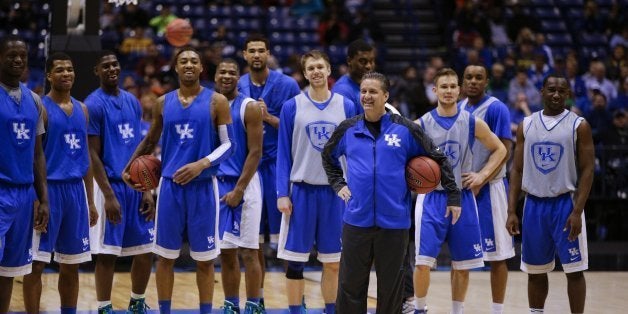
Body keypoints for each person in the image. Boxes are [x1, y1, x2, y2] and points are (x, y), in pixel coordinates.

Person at [322, 72, 460, 313]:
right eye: (363, 91)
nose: (366, 96)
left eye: (373, 91)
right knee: (350, 288)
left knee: (391, 289)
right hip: (356, 220)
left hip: (394, 223)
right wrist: (338, 184)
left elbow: (438, 157)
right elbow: (327, 156)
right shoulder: (348, 129)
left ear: (385, 96)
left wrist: (453, 195)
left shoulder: (405, 129)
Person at [123, 46, 234, 314]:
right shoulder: (163, 103)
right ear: (175, 67)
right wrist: (127, 169)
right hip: (171, 188)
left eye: (193, 61)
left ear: (201, 68)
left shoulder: (216, 101)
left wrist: (202, 164)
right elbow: (150, 141)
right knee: (165, 257)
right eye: (183, 61)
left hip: (203, 187)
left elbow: (228, 145)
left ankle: (205, 311)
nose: (188, 65)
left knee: (206, 260)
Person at [414, 68, 507, 314]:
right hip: (432, 197)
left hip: (464, 198)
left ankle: (458, 311)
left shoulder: (473, 122)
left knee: (462, 265)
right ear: (435, 90)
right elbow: (401, 156)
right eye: (443, 86)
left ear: (459, 90)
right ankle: (420, 309)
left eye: (452, 86)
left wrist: (481, 176)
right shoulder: (421, 124)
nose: (448, 91)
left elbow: (500, 149)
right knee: (423, 263)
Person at [276, 50, 356, 314]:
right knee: (295, 263)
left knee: (333, 262)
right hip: (301, 191)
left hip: (336, 193)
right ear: (305, 73)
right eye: (311, 68)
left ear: (329, 70)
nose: (316, 72)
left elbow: (355, 151)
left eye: (320, 67)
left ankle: (330, 310)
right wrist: (281, 193)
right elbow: (283, 153)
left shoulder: (346, 105)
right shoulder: (292, 106)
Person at [506, 74, 594, 314]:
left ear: (568, 94)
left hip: (565, 204)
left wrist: (578, 211)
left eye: (561, 91)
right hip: (533, 205)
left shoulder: (579, 125)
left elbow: (588, 170)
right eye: (552, 90)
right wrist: (511, 210)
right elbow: (517, 168)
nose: (556, 94)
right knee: (535, 271)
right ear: (542, 91)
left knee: (574, 270)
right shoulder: (527, 124)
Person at [22, 52, 98, 314]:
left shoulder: (83, 109)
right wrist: (36, 198)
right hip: (49, 190)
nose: (66, 73)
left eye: (70, 69)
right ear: (49, 75)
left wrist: (90, 200)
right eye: (60, 70)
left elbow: (85, 156)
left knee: (72, 264)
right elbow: (33, 156)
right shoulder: (40, 108)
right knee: (37, 264)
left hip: (76, 192)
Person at [85, 51, 155, 314]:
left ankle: (137, 302)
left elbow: (142, 150)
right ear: (97, 71)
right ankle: (104, 307)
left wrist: (147, 189)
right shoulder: (93, 104)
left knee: (146, 248)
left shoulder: (133, 101)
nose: (112, 69)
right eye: (106, 66)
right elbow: (92, 154)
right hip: (111, 185)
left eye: (115, 64)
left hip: (136, 185)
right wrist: (108, 196)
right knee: (108, 252)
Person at [237, 34, 301, 306]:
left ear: (268, 54)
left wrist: (269, 118)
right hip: (251, 166)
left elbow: (299, 126)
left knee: (285, 240)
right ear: (245, 55)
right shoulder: (239, 83)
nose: (256, 55)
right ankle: (257, 300)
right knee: (254, 240)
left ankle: (296, 302)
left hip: (278, 166)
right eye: (252, 51)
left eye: (261, 51)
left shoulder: (287, 84)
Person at [0, 35, 49, 313]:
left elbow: (37, 154)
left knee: (9, 270)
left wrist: (43, 198)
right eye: (11, 55)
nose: (18, 60)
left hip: (24, 194)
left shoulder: (34, 100)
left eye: (22, 56)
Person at [459, 64, 514, 314]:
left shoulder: (496, 108)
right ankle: (456, 308)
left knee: (497, 255)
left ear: (487, 81)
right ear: (462, 81)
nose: (473, 81)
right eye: (468, 77)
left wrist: (482, 177)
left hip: (491, 188)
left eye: (478, 77)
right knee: (460, 255)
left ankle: (497, 311)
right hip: (464, 189)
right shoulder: (459, 108)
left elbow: (505, 149)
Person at [214, 59, 265, 313]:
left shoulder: (250, 107)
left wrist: (239, 190)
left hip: (245, 184)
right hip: (218, 185)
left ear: (238, 77)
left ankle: (254, 306)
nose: (227, 76)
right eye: (222, 72)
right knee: (225, 252)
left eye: (232, 73)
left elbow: (255, 152)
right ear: (215, 77)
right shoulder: (209, 106)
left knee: (248, 250)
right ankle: (231, 305)